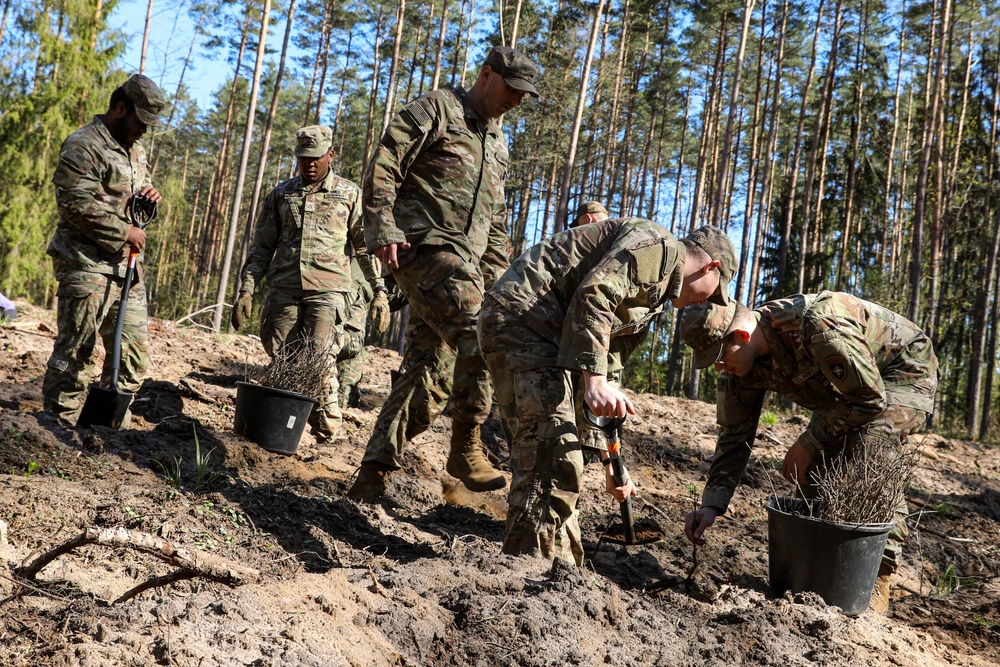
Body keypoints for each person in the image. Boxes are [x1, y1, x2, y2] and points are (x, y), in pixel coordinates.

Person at [478, 219, 737, 565]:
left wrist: (611, 464)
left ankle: (561, 570)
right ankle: (527, 570)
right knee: (551, 454)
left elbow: (608, 375)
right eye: (714, 293)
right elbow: (595, 293)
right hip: (523, 320)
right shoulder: (659, 247)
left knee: (566, 454)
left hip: (547, 339)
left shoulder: (654, 301)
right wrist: (594, 381)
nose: (704, 303)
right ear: (711, 267)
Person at [347, 45, 540, 501]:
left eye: (524, 95)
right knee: (483, 334)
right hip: (423, 247)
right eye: (511, 89)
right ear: (486, 75)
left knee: (427, 375)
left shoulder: (497, 142)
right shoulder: (438, 109)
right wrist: (381, 225)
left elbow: (493, 221)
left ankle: (371, 475)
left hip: (465, 268)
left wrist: (501, 282)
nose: (516, 100)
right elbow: (386, 162)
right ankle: (465, 447)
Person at [679, 291, 938, 612]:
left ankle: (876, 577)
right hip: (844, 390)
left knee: (869, 454)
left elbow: (870, 401)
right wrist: (712, 505)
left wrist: (809, 441)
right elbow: (734, 436)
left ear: (742, 335)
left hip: (899, 371)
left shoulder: (818, 326)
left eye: (719, 356)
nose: (719, 368)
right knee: (817, 475)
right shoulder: (738, 369)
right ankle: (830, 575)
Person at [232, 125, 389, 441]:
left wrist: (380, 291)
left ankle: (327, 430)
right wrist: (247, 288)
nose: (309, 165)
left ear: (330, 155)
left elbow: (364, 246)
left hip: (328, 291)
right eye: (303, 158)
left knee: (318, 357)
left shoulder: (348, 195)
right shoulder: (281, 194)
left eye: (316, 158)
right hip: (285, 289)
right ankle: (279, 429)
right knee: (281, 355)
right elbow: (262, 245)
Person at [43, 74, 166, 427]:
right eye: (140, 122)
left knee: (133, 357)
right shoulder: (83, 145)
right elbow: (73, 202)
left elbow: (131, 195)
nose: (144, 131)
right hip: (85, 264)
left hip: (126, 269)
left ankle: (109, 429)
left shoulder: (135, 150)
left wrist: (148, 197)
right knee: (75, 352)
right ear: (120, 108)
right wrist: (123, 231)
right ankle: (56, 430)